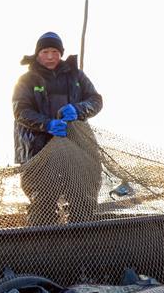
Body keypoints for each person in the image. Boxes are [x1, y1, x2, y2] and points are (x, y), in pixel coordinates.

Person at [13, 31, 103, 225]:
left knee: (82, 197)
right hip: (38, 149)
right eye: (45, 51)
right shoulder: (26, 80)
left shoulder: (76, 76)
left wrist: (79, 109)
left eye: (55, 51)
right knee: (43, 201)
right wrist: (47, 124)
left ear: (61, 53)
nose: (51, 56)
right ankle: (43, 248)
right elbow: (20, 111)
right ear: (38, 54)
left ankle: (83, 243)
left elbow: (96, 100)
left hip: (77, 147)